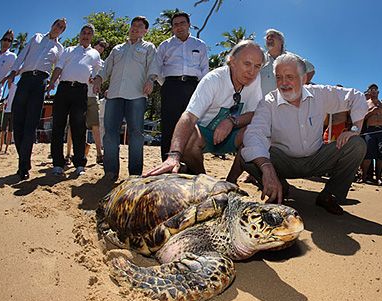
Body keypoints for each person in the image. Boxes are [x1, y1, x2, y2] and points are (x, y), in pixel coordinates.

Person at [241, 53, 367, 215]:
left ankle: (330, 195)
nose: (284, 83)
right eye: (279, 77)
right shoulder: (268, 102)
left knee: (356, 145)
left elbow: (356, 96)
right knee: (247, 154)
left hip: (317, 159)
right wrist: (267, 169)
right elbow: (255, 134)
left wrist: (355, 130)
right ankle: (280, 188)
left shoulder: (319, 94)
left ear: (303, 78)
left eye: (290, 77)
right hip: (283, 162)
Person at [144, 40, 264, 180]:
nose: (252, 71)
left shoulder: (255, 80)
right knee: (190, 135)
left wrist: (231, 121)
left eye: (257, 66)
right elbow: (189, 116)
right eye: (247, 64)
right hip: (205, 135)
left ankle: (231, 181)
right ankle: (203, 178)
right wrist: (174, 155)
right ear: (232, 61)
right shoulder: (213, 79)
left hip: (232, 134)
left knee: (254, 131)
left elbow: (255, 113)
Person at [0, 18, 67, 180]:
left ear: (63, 31)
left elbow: (58, 69)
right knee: (18, 122)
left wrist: (53, 84)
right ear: (52, 25)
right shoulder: (36, 37)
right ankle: (24, 160)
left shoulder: (59, 48)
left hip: (40, 83)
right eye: (57, 25)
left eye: (62, 28)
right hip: (24, 80)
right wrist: (14, 72)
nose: (58, 28)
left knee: (30, 124)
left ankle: (23, 166)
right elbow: (22, 55)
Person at [93, 16, 158, 181]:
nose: (136, 28)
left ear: (145, 31)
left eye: (140, 26)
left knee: (136, 134)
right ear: (130, 28)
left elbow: (153, 67)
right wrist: (99, 79)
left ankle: (135, 174)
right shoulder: (117, 49)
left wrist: (150, 80)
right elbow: (106, 68)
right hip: (114, 95)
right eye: (133, 25)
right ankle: (110, 172)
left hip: (137, 95)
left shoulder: (149, 47)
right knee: (110, 134)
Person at [46, 24, 102, 176]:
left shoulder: (95, 54)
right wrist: (52, 83)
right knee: (58, 126)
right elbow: (58, 67)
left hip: (80, 91)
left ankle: (79, 164)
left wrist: (95, 81)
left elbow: (98, 71)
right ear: (79, 35)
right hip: (63, 89)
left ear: (92, 37)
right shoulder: (69, 50)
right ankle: (57, 163)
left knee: (79, 127)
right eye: (83, 32)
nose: (86, 35)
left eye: (89, 33)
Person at [156, 11, 209, 161]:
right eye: (175, 24)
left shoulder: (200, 45)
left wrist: (201, 90)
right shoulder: (165, 45)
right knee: (169, 126)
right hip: (170, 87)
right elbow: (157, 68)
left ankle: (190, 164)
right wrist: (166, 84)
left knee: (192, 126)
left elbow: (205, 69)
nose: (179, 27)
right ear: (172, 27)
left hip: (193, 88)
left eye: (182, 23)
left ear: (189, 24)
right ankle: (167, 164)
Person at [260, 29, 315, 96]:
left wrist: (297, 88)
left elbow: (310, 70)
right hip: (262, 103)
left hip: (285, 103)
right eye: (267, 37)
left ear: (281, 41)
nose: (269, 38)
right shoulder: (261, 58)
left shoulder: (292, 58)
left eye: (272, 36)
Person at [83, 39, 108, 165]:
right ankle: (70, 154)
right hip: (79, 94)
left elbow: (103, 78)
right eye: (100, 45)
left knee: (95, 125)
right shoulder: (84, 57)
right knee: (75, 126)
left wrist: (97, 81)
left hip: (93, 96)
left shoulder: (102, 64)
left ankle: (99, 153)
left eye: (104, 47)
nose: (102, 48)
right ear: (95, 44)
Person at [360, 84, 382, 184]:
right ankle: (364, 176)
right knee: (368, 154)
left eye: (375, 90)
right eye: (371, 90)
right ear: (369, 92)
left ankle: (378, 177)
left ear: (378, 92)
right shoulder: (365, 104)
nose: (373, 91)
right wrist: (371, 112)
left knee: (381, 155)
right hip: (370, 130)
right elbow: (362, 118)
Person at [0, 30, 16, 143]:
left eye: (10, 40)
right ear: (1, 40)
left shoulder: (12, 56)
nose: (7, 42)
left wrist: (8, 78)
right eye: (5, 39)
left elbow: (15, 70)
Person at [0, 83, 17, 154]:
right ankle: (3, 149)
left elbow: (5, 101)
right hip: (10, 112)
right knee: (7, 131)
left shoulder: (13, 88)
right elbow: (5, 101)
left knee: (6, 131)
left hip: (9, 112)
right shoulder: (15, 89)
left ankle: (3, 149)